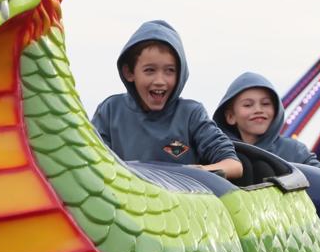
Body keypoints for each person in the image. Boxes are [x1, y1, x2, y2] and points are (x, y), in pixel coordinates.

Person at [92, 20, 243, 179]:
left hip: (181, 198)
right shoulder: (110, 111)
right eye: (150, 70)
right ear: (129, 72)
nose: (160, 80)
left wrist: (198, 172)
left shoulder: (191, 114)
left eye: (169, 71)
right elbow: (92, 160)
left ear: (180, 74)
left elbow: (233, 165)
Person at [213, 72, 320, 167]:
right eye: (248, 105)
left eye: (266, 103)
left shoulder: (295, 151)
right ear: (230, 116)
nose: (258, 110)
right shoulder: (221, 154)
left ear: (276, 110)